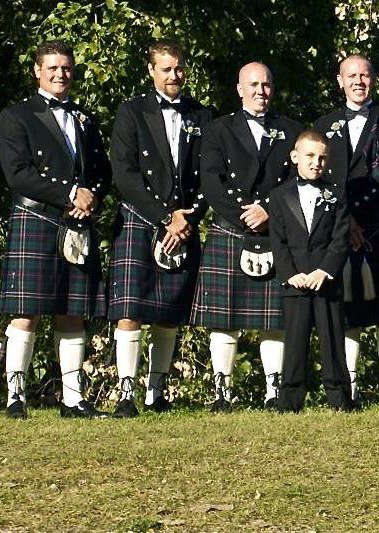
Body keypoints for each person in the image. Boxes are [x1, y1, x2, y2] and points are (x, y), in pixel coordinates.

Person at [0, 41, 111, 419]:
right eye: (53, 68)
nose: (60, 74)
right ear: (37, 71)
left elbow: (101, 170)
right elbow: (18, 173)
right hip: (37, 218)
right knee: (26, 310)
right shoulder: (16, 116)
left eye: (66, 68)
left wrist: (91, 195)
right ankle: (16, 397)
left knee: (73, 310)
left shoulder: (84, 117)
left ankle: (73, 398)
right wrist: (68, 193)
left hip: (76, 222)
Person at [108, 39, 211, 417]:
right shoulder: (131, 112)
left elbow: (208, 175)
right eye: (166, 68)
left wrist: (190, 216)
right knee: (130, 309)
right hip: (141, 218)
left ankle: (157, 392)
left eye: (179, 67)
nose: (174, 75)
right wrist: (166, 216)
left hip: (183, 221)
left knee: (169, 309)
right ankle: (125, 394)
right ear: (151, 70)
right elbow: (125, 173)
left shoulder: (202, 115)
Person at [191, 62, 302, 411]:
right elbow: (210, 180)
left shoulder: (291, 129)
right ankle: (223, 393)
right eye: (253, 85)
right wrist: (245, 214)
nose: (260, 91)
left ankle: (274, 393)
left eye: (266, 85)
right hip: (231, 226)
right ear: (239, 89)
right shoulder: (217, 129)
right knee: (225, 317)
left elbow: (300, 180)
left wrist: (270, 209)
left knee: (274, 318)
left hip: (274, 228)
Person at [314, 54, 379, 405]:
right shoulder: (322, 124)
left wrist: (359, 217)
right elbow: (317, 179)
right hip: (339, 230)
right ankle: (351, 390)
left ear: (374, 79)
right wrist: (344, 222)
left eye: (365, 75)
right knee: (349, 312)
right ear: (339, 81)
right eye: (351, 76)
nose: (359, 81)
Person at [268, 130, 353, 413]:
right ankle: (290, 401)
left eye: (322, 157)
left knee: (332, 340)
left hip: (326, 281)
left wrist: (325, 271)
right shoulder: (279, 196)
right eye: (310, 156)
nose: (316, 162)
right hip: (295, 281)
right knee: (294, 342)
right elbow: (278, 240)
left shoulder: (337, 193)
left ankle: (339, 399)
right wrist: (289, 273)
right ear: (295, 157)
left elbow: (340, 238)